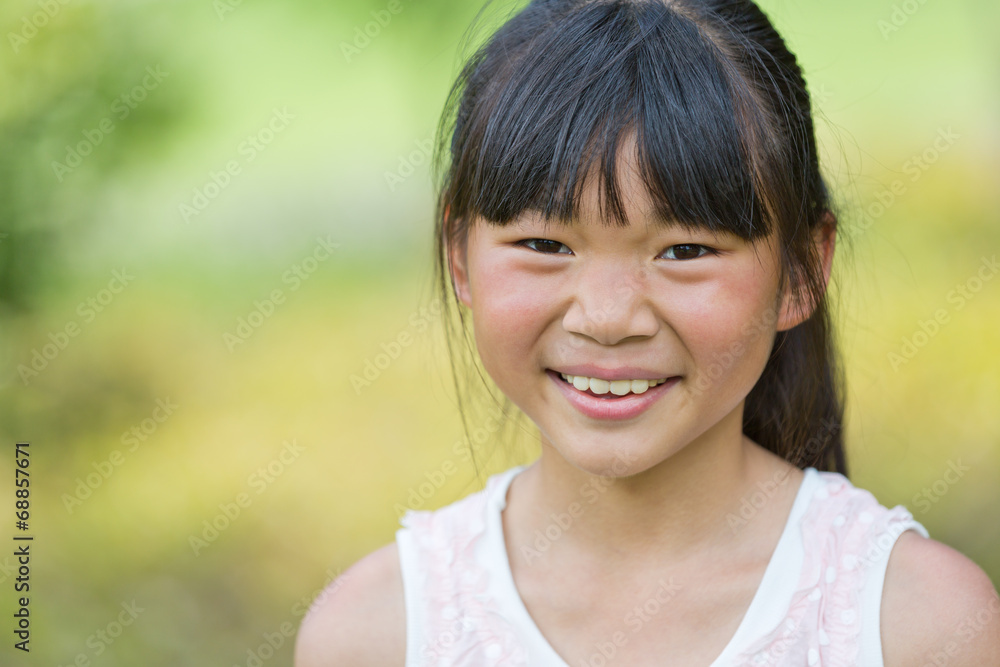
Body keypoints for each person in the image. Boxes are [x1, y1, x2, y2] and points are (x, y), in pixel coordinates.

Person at [295, 0, 1000, 664]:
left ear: (800, 273)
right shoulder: (377, 632)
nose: (606, 317)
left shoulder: (917, 625)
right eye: (544, 244)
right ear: (460, 255)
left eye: (684, 251)